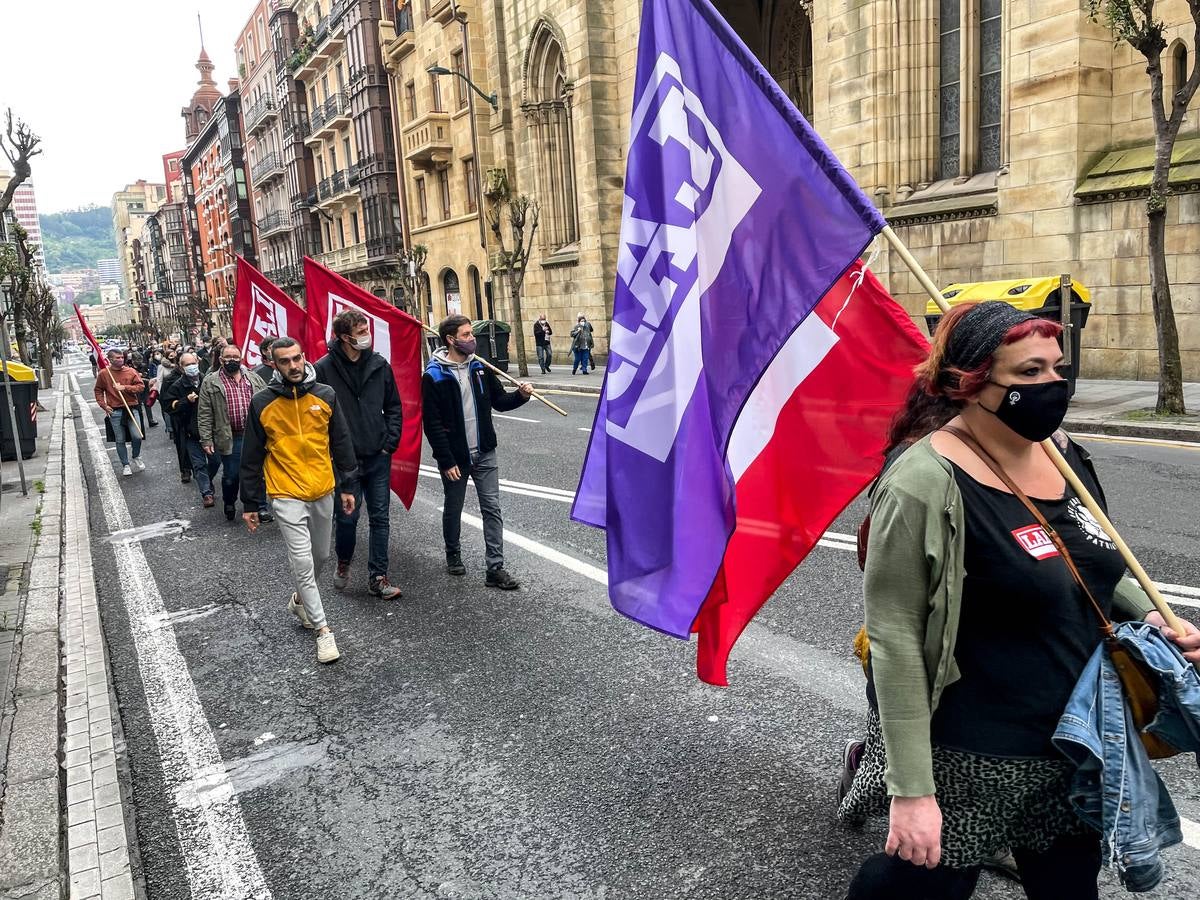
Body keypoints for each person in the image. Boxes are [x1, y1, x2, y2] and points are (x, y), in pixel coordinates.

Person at [838, 301, 1200, 900]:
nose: (1052, 386)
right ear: (970, 383)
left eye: (1056, 369)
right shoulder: (923, 483)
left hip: (1077, 744)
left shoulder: (1064, 454)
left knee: (1068, 889)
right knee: (917, 887)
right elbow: (895, 641)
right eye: (1029, 373)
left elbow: (1095, 562)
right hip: (972, 757)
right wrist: (913, 792)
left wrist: (1155, 614)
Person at [240, 337, 359, 664]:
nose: (293, 366)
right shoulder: (262, 402)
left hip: (323, 488)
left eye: (296, 359)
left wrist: (348, 485)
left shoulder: (325, 395)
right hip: (285, 492)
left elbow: (342, 442)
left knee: (321, 555)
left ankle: (299, 601)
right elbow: (251, 455)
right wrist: (250, 503)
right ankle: (323, 631)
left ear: (303, 357)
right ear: (274, 365)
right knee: (302, 562)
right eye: (284, 361)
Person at [422, 315, 533, 589]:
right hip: (456, 458)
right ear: (451, 339)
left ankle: (495, 568)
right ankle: (453, 554)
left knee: (492, 508)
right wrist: (446, 460)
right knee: (454, 507)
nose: (472, 339)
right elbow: (432, 423)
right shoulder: (434, 375)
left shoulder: (480, 368)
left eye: (472, 334)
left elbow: (500, 402)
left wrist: (521, 396)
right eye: (467, 335)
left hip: (484, 452)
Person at [315, 310, 404, 600]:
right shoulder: (323, 369)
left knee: (380, 517)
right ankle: (344, 560)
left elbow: (393, 406)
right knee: (348, 519)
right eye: (360, 331)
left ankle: (378, 577)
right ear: (344, 336)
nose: (366, 335)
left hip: (378, 456)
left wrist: (389, 442)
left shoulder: (379, 364)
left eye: (367, 329)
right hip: (345, 461)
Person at [197, 344, 270, 522]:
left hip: (254, 434)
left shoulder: (253, 378)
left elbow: (268, 406)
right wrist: (206, 440)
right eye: (227, 357)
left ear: (241, 358)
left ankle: (260, 506)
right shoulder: (211, 381)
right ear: (221, 360)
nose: (232, 360)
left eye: (235, 356)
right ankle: (229, 501)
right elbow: (204, 413)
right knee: (232, 475)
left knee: (257, 472)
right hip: (230, 436)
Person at [163, 353, 219, 504]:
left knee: (215, 461)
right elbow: (168, 406)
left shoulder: (208, 380)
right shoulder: (177, 385)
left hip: (210, 430)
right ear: (181, 367)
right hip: (190, 431)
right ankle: (206, 493)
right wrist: (185, 401)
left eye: (193, 363)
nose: (191, 367)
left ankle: (207, 480)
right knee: (198, 464)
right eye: (187, 365)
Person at [93, 349, 145, 477]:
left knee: (137, 435)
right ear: (110, 359)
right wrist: (103, 405)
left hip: (131, 408)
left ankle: (136, 455)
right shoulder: (104, 374)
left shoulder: (131, 371)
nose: (121, 359)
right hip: (115, 411)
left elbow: (141, 386)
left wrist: (126, 388)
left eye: (122, 357)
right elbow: (98, 390)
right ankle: (125, 464)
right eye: (117, 358)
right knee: (120, 439)